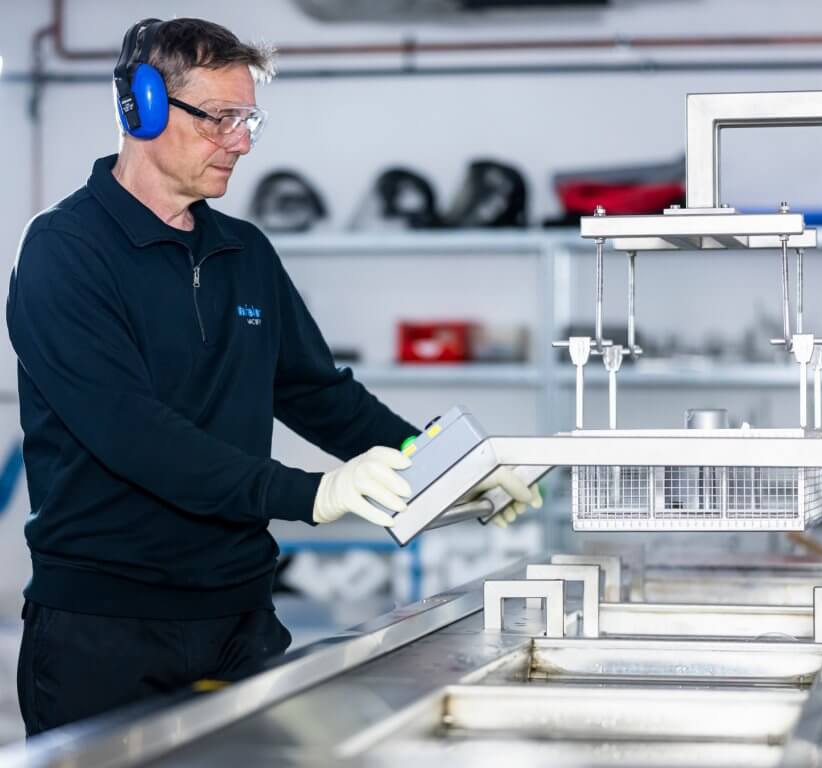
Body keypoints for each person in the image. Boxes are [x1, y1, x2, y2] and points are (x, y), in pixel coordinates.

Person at [6, 17, 540, 736]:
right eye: (221, 118)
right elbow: (134, 436)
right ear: (144, 108)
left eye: (249, 117)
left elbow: (320, 395)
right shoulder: (64, 253)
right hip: (105, 629)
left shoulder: (244, 251)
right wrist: (312, 493)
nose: (243, 141)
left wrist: (449, 467)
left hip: (239, 619)